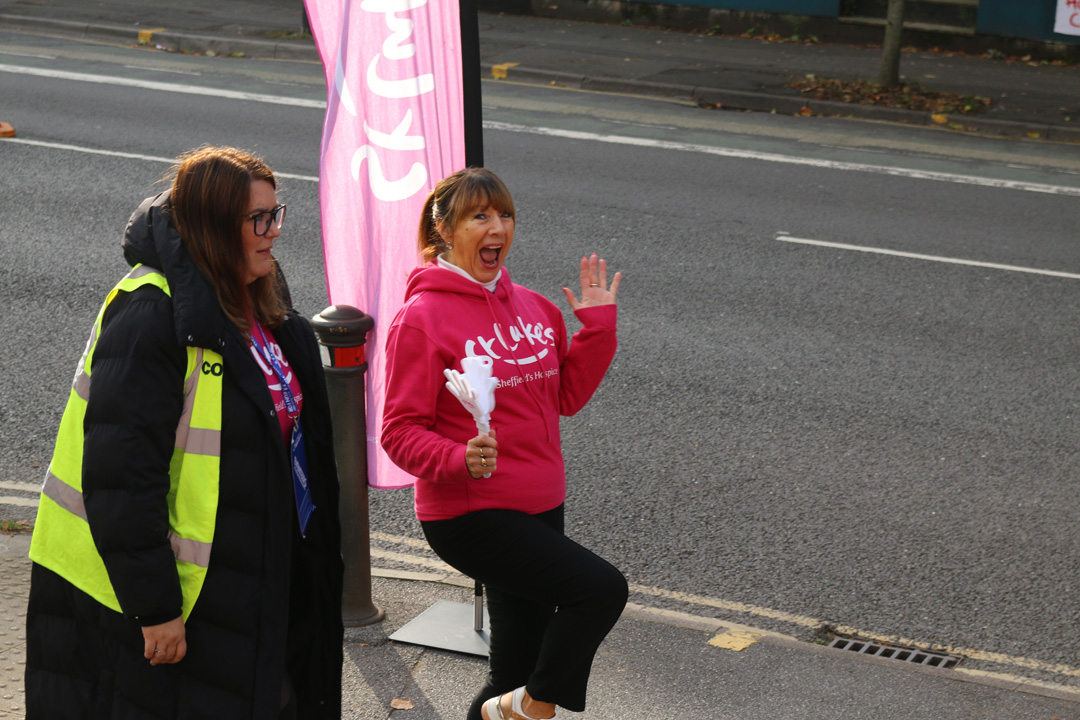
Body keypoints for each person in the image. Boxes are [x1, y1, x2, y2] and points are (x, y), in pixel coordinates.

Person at [25, 147, 344, 719]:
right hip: (184, 592)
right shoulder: (151, 313)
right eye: (259, 219)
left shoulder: (258, 294)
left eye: (277, 214)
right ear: (214, 226)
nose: (273, 232)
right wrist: (155, 608)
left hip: (254, 574)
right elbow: (121, 479)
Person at [381, 167, 628, 720]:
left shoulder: (535, 308)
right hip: (473, 512)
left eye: (505, 214)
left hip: (541, 503)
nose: (498, 227)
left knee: (513, 670)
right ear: (443, 229)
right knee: (600, 591)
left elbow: (564, 396)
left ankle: (512, 704)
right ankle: (534, 707)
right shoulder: (421, 319)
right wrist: (457, 457)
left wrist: (597, 332)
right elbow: (397, 431)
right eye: (480, 216)